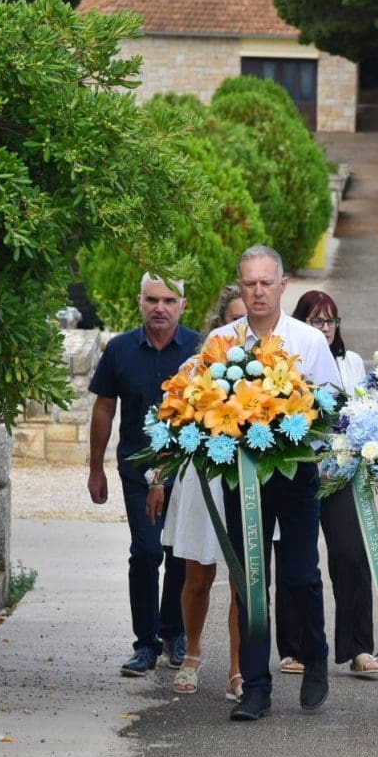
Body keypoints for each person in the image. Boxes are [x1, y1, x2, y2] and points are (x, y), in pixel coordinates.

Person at [210, 245, 341, 722]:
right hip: (241, 476)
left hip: (295, 472)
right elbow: (203, 405)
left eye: (266, 282)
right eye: (250, 283)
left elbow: (332, 404)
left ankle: (315, 656)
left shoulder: (308, 340)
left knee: (301, 574)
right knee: (250, 579)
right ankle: (255, 686)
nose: (258, 291)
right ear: (240, 286)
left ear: (284, 285)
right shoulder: (221, 342)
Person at [88, 274, 200, 677]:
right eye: (153, 300)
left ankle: (174, 632)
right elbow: (104, 409)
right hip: (137, 469)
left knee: (181, 553)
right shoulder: (119, 350)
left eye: (169, 300)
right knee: (147, 552)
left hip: (186, 470)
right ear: (140, 302)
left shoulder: (200, 350)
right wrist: (95, 468)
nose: (160, 308)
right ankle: (145, 644)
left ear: (183, 305)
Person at [276, 289, 378, 677]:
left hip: (340, 476)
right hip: (300, 474)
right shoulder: (284, 361)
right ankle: (295, 647)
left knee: (351, 555)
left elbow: (365, 413)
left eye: (331, 320)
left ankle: (358, 647)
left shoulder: (350, 362)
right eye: (316, 320)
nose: (325, 328)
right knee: (297, 560)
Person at [149, 285, 246, 700]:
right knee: (197, 576)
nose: (241, 329)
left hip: (246, 483)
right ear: (220, 323)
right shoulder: (193, 367)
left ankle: (239, 668)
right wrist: (157, 478)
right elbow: (168, 427)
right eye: (234, 320)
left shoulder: (268, 367)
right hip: (201, 480)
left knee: (245, 580)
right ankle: (192, 653)